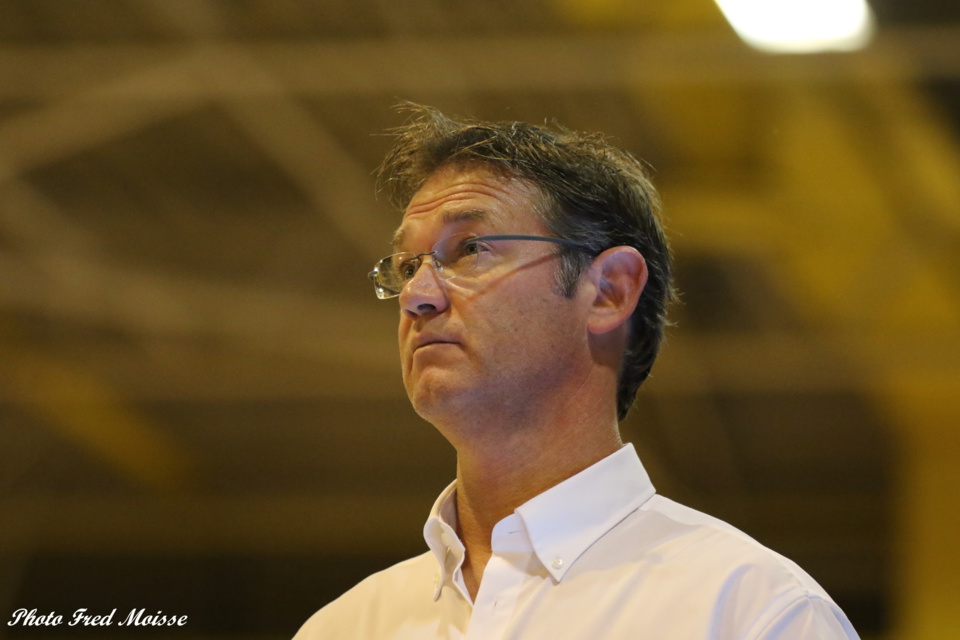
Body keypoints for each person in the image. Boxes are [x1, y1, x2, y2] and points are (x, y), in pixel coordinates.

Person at [293, 105, 860, 639]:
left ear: (609, 292)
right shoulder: (345, 626)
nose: (416, 295)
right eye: (407, 265)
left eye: (469, 249)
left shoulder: (750, 612)